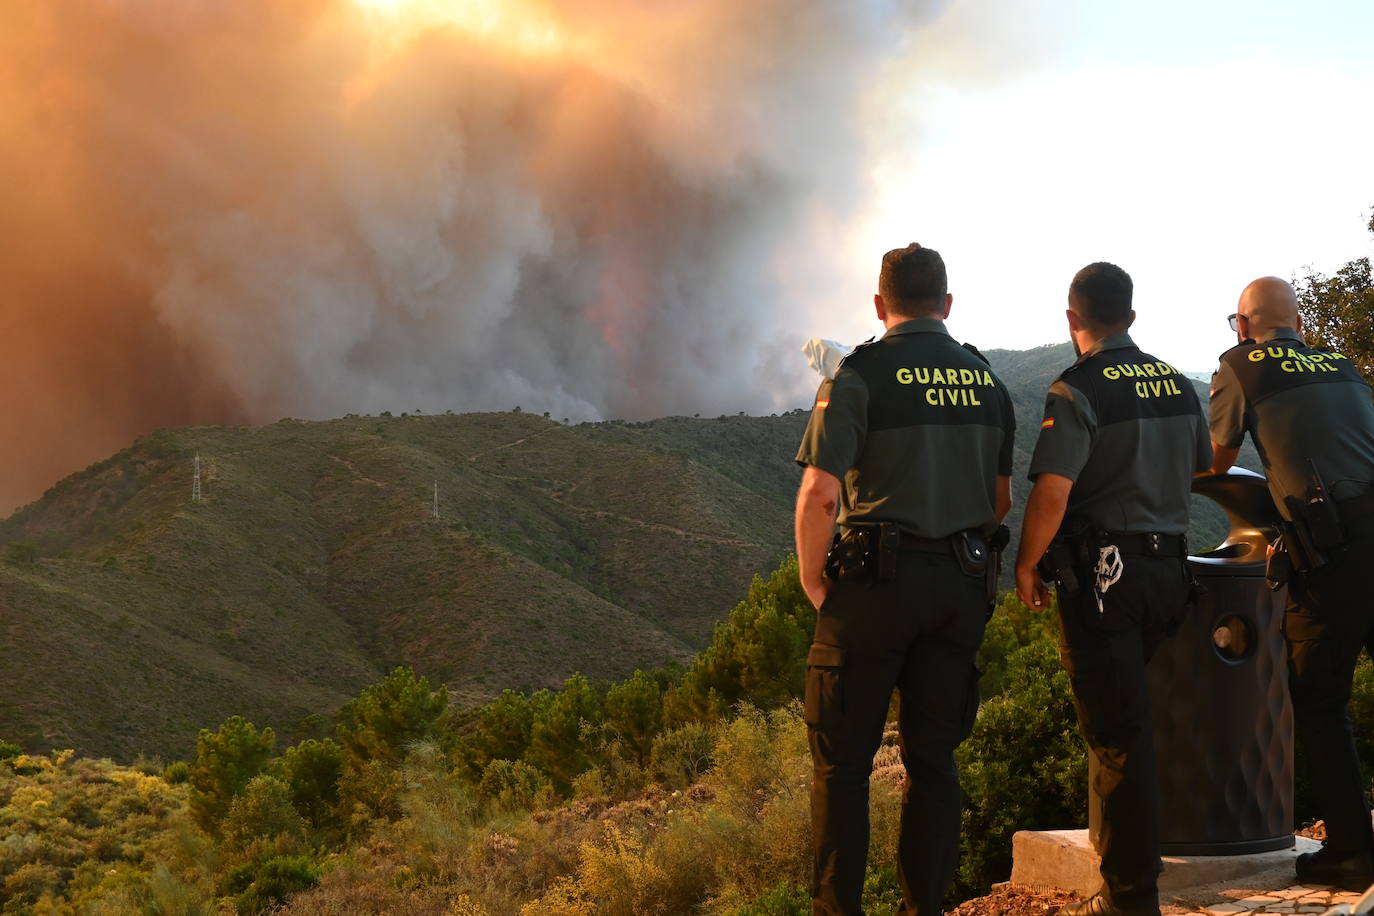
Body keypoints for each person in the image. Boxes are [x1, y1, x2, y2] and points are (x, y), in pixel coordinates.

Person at [794, 243, 1016, 916]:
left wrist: (815, 584)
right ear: (947, 305)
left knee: (843, 767)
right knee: (933, 764)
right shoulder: (987, 381)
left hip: (872, 589)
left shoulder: (858, 376)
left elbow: (819, 496)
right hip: (960, 589)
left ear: (878, 305)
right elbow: (1001, 500)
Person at [1014, 262, 1210, 916]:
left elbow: (1052, 491)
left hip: (1106, 577)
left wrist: (1026, 563)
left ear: (1074, 320)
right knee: (1133, 729)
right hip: (1170, 572)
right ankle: (1129, 871)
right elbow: (1205, 462)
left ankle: (1130, 898)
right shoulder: (1178, 383)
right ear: (1132, 314)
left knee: (1118, 737)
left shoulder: (1077, 391)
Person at [1207, 276, 1374, 890]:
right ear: (1299, 324)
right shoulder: (1343, 365)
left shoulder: (1241, 366)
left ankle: (1354, 853)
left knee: (1320, 701)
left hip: (1337, 547)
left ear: (1245, 324)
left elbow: (1216, 459)